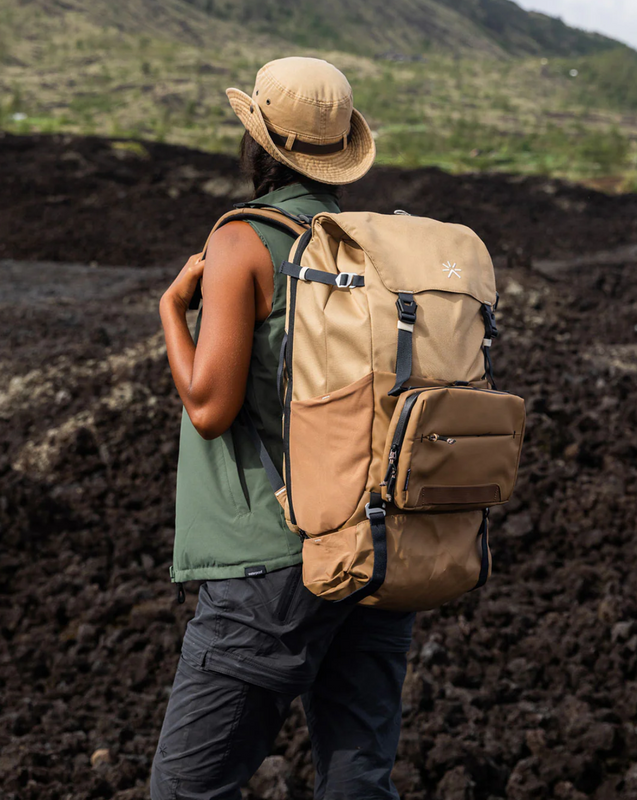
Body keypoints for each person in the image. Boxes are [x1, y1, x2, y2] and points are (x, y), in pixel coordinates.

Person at [152, 56, 415, 800]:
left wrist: (172, 312)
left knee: (188, 789)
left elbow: (208, 407)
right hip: (375, 548)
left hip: (268, 562)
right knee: (356, 781)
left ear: (256, 143)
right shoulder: (368, 244)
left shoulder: (243, 240)